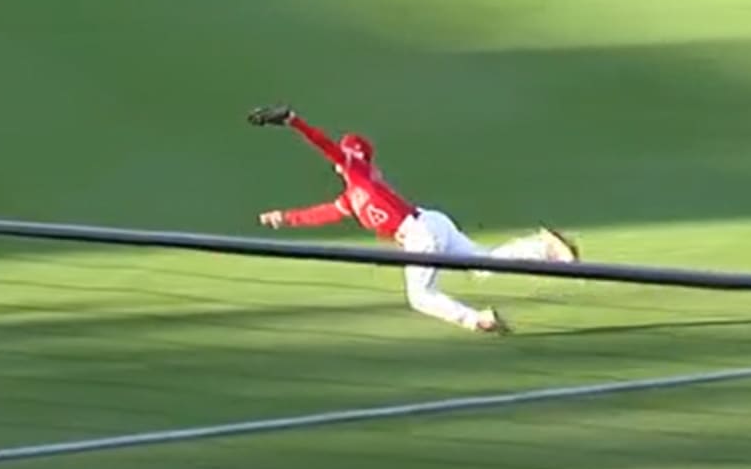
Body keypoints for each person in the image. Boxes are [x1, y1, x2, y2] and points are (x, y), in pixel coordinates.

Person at [246, 105, 580, 335]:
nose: (340, 159)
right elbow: (323, 213)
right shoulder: (354, 195)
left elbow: (325, 146)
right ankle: (547, 248)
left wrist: (294, 121)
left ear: (353, 156)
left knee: (420, 297)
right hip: (431, 223)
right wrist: (284, 218)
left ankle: (478, 320)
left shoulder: (360, 174)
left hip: (421, 232)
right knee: (481, 264)